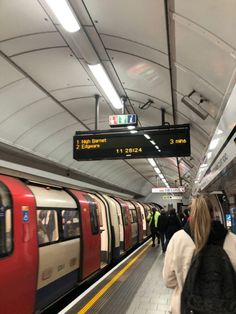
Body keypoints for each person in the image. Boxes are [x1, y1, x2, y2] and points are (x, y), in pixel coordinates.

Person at [162, 195, 236, 314]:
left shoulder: (178, 239)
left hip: (187, 308)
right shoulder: (232, 240)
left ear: (191, 214)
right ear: (214, 213)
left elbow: (168, 281)